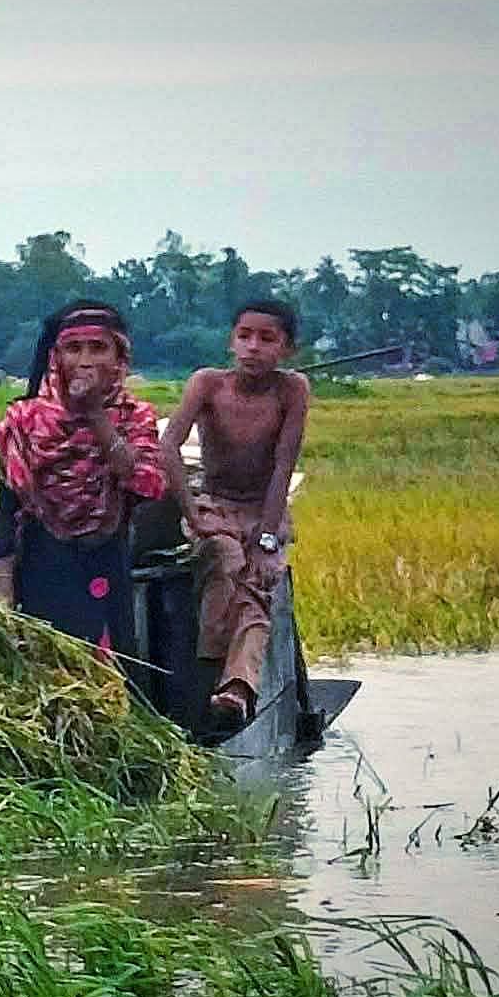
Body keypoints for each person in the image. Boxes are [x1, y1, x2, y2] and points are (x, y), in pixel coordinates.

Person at [159, 299, 312, 725]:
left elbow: (283, 464)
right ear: (231, 341)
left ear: (286, 349)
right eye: (244, 336)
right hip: (214, 503)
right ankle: (213, 675)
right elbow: (168, 446)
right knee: (225, 560)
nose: (253, 347)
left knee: (258, 582)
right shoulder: (208, 384)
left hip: (264, 508)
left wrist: (267, 537)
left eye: (267, 339)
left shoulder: (292, 389)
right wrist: (192, 515)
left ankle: (237, 688)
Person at [0, 301, 167, 651]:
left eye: (98, 348)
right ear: (56, 358)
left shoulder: (134, 418)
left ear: (119, 358)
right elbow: (7, 515)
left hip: (109, 569)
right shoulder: (23, 424)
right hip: (42, 575)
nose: (85, 361)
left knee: (115, 669)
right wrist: (4, 605)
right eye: (73, 349)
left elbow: (144, 481)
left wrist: (95, 415)